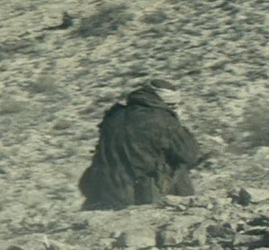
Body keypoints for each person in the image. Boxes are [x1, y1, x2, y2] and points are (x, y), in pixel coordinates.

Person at [78, 79, 201, 211]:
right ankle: (184, 207)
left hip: (102, 190)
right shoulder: (163, 120)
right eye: (173, 105)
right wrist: (177, 122)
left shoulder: (115, 114)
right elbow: (190, 155)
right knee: (177, 164)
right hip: (138, 195)